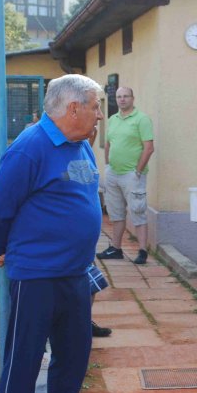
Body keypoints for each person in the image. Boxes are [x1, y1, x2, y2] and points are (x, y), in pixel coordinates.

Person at [0, 74, 104, 393]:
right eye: (95, 107)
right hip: (36, 277)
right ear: (74, 108)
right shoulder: (30, 148)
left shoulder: (81, 144)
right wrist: (2, 248)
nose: (99, 115)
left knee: (73, 360)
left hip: (76, 275)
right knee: (24, 363)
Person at [96, 86, 154, 264]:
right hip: (113, 173)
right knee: (116, 213)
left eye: (126, 96)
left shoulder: (142, 119)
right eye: (119, 96)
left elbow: (149, 148)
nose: (122, 99)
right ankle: (116, 249)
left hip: (132, 175)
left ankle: (142, 251)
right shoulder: (112, 119)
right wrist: (107, 166)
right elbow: (108, 144)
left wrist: (138, 171)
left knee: (138, 212)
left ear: (132, 98)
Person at [86, 125, 113, 338]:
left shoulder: (81, 149)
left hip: (83, 243)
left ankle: (84, 321)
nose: (99, 119)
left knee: (91, 285)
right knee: (86, 285)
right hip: (64, 242)